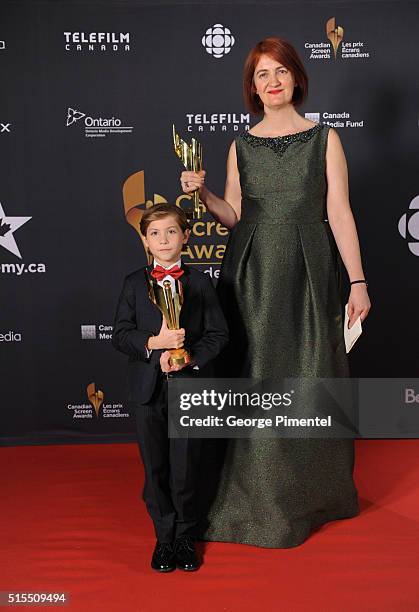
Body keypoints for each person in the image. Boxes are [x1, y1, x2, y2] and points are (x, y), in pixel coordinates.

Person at [180, 37, 371, 548]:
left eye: (281, 71)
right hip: (251, 273)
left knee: (311, 371)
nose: (272, 81)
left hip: (310, 268)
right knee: (256, 375)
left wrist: (357, 280)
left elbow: (341, 214)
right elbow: (234, 215)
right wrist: (203, 195)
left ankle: (316, 494)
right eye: (262, 74)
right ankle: (254, 499)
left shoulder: (325, 138)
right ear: (252, 87)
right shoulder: (240, 145)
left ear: (296, 79)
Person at [112, 203, 229, 569]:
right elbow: (120, 334)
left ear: (186, 237)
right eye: (155, 234)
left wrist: (189, 357)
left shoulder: (200, 283)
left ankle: (184, 537)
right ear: (146, 241)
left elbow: (218, 334)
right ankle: (163, 538)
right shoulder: (133, 283)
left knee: (186, 466)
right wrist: (154, 346)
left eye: (172, 232)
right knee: (157, 467)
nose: (164, 240)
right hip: (149, 389)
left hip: (189, 387)